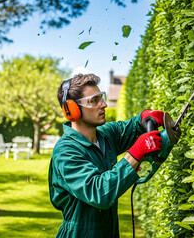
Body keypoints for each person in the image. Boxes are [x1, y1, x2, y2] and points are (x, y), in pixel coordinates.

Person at [48, 73, 165, 237]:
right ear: (72, 110)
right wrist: (135, 154)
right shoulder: (66, 151)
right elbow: (99, 192)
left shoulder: (104, 134)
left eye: (101, 97)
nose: (103, 105)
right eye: (94, 100)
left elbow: (130, 127)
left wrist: (144, 117)